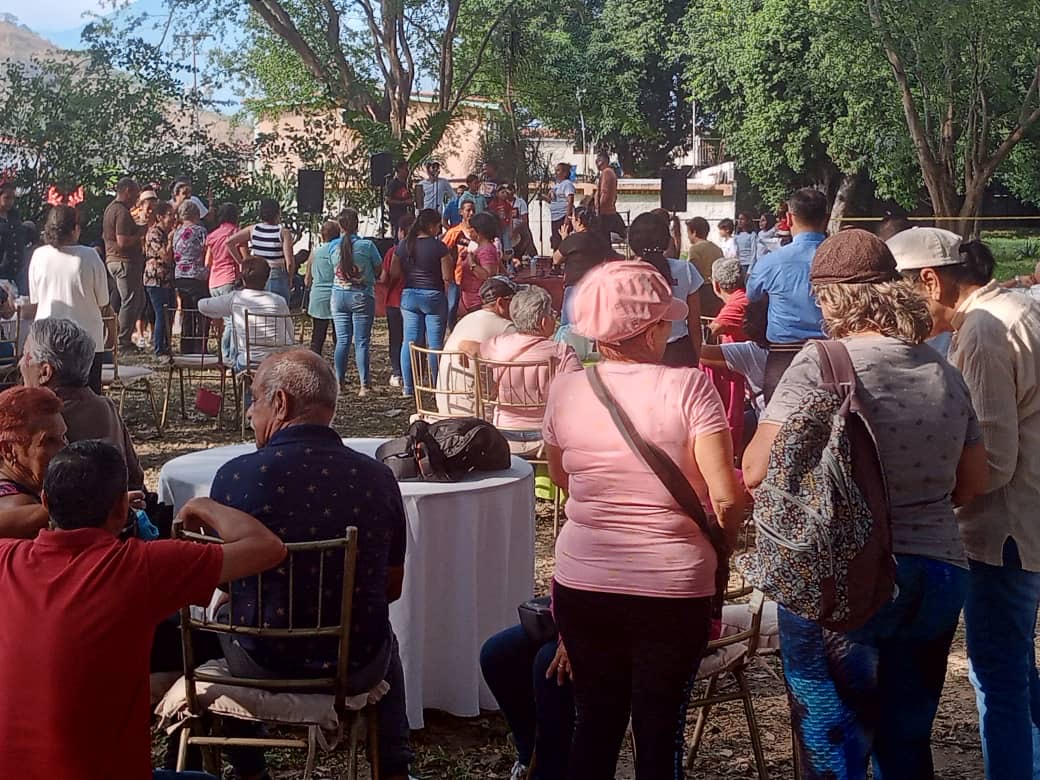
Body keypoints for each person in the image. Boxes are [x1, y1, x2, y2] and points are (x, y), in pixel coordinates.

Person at [742, 229, 989, 779]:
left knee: (834, 749)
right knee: (907, 744)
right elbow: (972, 483)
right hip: (938, 572)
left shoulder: (820, 364)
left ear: (827, 298)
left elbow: (756, 471)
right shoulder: (943, 370)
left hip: (840, 577)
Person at [543, 260, 745, 777]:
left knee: (595, 722)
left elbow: (563, 476)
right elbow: (725, 497)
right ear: (651, 329)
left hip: (584, 579)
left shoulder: (566, 389)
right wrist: (727, 535)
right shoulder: (690, 389)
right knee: (659, 732)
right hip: (673, 584)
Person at [0, 437, 285, 780]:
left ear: (45, 502)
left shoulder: (6, 560)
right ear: (123, 510)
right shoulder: (141, 565)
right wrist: (203, 504)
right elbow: (268, 548)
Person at [212, 350, 412, 780]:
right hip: (354, 662)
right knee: (385, 635)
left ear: (280, 403)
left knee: (218, 618)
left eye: (254, 400)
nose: (249, 413)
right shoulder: (380, 479)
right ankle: (394, 766)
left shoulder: (234, 478)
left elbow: (218, 577)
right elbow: (391, 589)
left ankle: (247, 767)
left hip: (258, 658)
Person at [890, 227, 1040, 779]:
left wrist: (926, 504)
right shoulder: (1016, 306)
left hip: (1002, 527)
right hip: (1023, 519)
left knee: (998, 678)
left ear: (929, 280)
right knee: (1017, 672)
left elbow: (993, 459)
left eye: (901, 290)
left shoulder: (982, 328)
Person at [20, 318, 145, 491]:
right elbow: (136, 478)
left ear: (45, 372)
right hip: (116, 511)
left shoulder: (33, 420)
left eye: (25, 356)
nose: (21, 364)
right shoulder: (105, 407)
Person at [468, 285, 581, 457]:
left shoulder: (498, 345)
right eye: (552, 314)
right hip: (547, 437)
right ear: (543, 322)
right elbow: (580, 394)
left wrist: (463, 347)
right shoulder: (561, 352)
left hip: (503, 434)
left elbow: (470, 347)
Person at [745, 187, 828, 402]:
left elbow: (752, 299)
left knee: (777, 428)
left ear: (789, 219)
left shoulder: (769, 263)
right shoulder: (843, 260)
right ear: (826, 219)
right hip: (833, 358)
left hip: (784, 359)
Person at [480, 617, 574, 780]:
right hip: (570, 615)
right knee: (497, 654)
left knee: (549, 664)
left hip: (613, 616)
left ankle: (550, 771)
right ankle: (529, 759)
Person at [29, 205, 110, 394]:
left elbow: (36, 298)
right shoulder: (90, 256)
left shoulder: (38, 256)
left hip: (47, 340)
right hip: (86, 340)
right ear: (75, 229)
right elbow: (103, 300)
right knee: (88, 397)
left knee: (49, 397)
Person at [391, 208, 454, 397]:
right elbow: (447, 276)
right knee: (434, 344)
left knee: (408, 342)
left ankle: (408, 388)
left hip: (409, 296)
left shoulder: (403, 245)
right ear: (432, 226)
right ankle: (436, 388)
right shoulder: (439, 247)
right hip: (433, 295)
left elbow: (394, 273)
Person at [436, 275, 517, 416]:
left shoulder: (465, 320)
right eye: (514, 302)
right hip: (478, 413)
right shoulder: (506, 328)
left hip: (446, 405)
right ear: (501, 303)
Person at [631, 211, 704, 368]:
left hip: (639, 352)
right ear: (666, 240)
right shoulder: (686, 270)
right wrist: (697, 361)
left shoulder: (624, 274)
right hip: (679, 352)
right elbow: (694, 324)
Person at [199, 257, 294, 371]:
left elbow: (202, 305)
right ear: (267, 279)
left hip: (247, 362)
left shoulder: (236, 298)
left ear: (243, 279)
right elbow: (290, 333)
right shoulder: (279, 301)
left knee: (237, 359)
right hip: (276, 363)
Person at [329, 208, 383, 396]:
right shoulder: (367, 246)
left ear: (340, 226)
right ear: (357, 224)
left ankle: (339, 383)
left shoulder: (332, 246)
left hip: (338, 296)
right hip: (361, 295)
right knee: (361, 342)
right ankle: (364, 385)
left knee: (342, 340)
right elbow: (378, 268)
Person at [0, 386, 66, 538]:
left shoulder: (28, 487)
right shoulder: (18, 505)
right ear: (8, 449)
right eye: (49, 441)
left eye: (64, 437)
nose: (64, 448)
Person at [551, 207, 618, 325]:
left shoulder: (572, 240)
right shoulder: (599, 239)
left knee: (568, 327)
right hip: (595, 288)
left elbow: (556, 259)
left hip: (575, 287)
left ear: (578, 221)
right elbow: (613, 257)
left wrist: (564, 240)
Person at [103, 177, 144, 350]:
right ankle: (122, 340)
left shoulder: (110, 209)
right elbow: (122, 241)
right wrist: (141, 233)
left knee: (121, 300)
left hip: (113, 261)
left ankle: (111, 337)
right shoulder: (121, 212)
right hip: (123, 262)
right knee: (131, 300)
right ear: (127, 191)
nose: (137, 198)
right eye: (135, 193)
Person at [227, 199, 294, 304]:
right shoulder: (283, 232)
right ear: (277, 213)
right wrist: (289, 278)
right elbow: (289, 262)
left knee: (259, 309)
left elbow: (229, 242)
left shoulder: (253, 229)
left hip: (258, 273)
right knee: (279, 311)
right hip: (276, 273)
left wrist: (242, 262)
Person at [204, 203, 243, 360]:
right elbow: (244, 257)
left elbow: (208, 262)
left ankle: (223, 355)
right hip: (230, 278)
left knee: (221, 321)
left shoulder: (212, 235)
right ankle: (229, 357)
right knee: (232, 322)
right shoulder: (236, 233)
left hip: (214, 281)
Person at [172, 201, 209, 355]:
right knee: (201, 313)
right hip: (197, 275)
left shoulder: (176, 232)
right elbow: (206, 249)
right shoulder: (200, 231)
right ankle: (200, 346)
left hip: (180, 275)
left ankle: (186, 346)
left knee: (187, 311)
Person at [380, 213, 412, 387]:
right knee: (413, 339)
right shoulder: (420, 249)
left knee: (396, 338)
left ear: (400, 231)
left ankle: (397, 372)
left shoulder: (393, 251)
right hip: (414, 300)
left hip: (394, 300)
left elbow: (386, 277)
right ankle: (415, 373)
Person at [143, 202, 177, 358]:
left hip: (168, 279)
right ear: (160, 217)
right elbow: (165, 255)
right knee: (161, 313)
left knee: (170, 311)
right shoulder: (154, 233)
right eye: (170, 215)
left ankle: (166, 344)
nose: (173, 219)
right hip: (155, 279)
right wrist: (170, 240)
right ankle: (159, 348)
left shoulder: (167, 232)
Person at [304, 220, 341, 356]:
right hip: (336, 295)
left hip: (318, 297)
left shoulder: (315, 252)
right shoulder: (339, 251)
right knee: (339, 337)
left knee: (317, 337)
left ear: (321, 236)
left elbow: (307, 280)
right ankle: (339, 369)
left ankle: (314, 365)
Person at [458, 212, 504, 315]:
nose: (469, 231)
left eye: (471, 229)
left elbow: (487, 276)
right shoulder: (481, 248)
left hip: (478, 302)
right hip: (472, 302)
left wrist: (471, 263)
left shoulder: (486, 250)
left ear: (478, 231)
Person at [686, 216, 725, 318]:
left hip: (702, 290)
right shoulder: (717, 248)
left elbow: (694, 272)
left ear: (693, 232)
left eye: (688, 232)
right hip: (717, 289)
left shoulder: (694, 249)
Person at [542, 163, 576, 250]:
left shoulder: (567, 184)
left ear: (565, 173)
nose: (555, 173)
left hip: (562, 216)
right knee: (556, 242)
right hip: (555, 217)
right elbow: (553, 201)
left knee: (562, 242)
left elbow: (570, 201)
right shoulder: (556, 186)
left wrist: (567, 218)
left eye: (558, 170)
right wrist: (544, 198)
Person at [593, 151, 625, 243]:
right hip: (607, 211)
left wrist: (598, 209)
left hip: (604, 212)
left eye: (598, 160)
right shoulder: (609, 172)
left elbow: (605, 193)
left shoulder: (607, 172)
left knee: (603, 239)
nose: (596, 163)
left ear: (603, 161)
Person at [0, 183, 25, 294]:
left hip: (18, 269)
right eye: (6, 198)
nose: (10, 201)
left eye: (12, 198)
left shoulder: (14, 215)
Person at [386, 160, 414, 235]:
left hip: (406, 215)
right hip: (396, 216)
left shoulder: (406, 184)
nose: (407, 171)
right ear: (399, 169)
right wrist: (404, 203)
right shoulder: (393, 183)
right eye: (405, 169)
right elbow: (388, 200)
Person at [489, 184, 516, 255]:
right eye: (502, 193)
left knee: (507, 243)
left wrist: (511, 229)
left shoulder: (507, 205)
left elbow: (510, 218)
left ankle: (508, 255)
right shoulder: (493, 204)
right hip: (496, 228)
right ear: (497, 193)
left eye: (506, 193)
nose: (504, 195)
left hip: (505, 227)